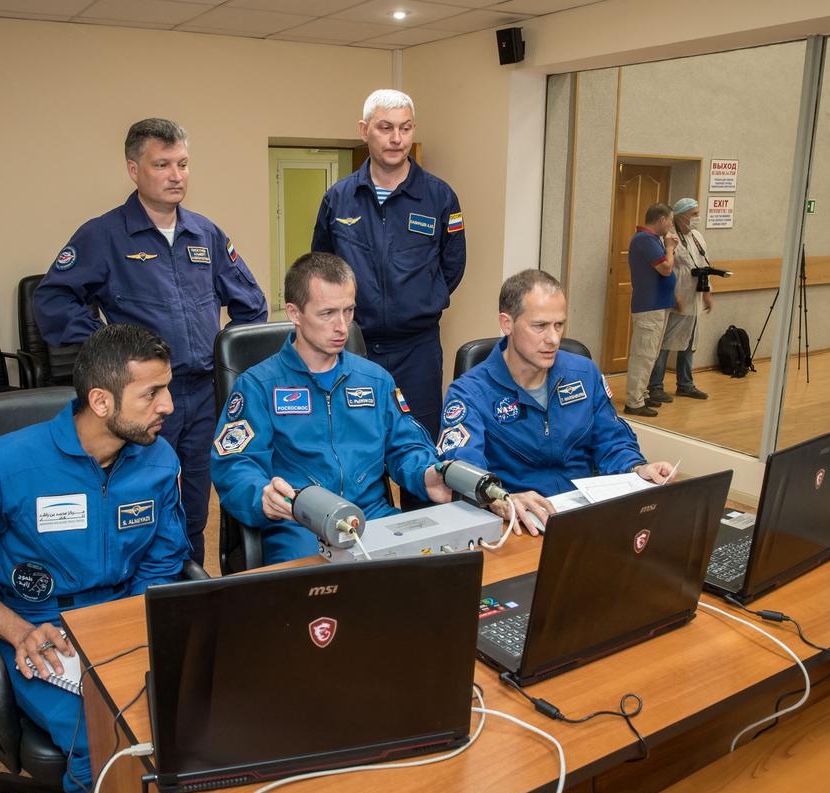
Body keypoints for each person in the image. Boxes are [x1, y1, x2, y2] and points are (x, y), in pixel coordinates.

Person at [0, 323, 187, 793]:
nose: (167, 405)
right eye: (151, 392)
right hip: (39, 631)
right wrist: (17, 630)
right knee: (101, 739)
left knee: (194, 708)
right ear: (102, 401)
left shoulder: (157, 459)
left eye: (166, 388)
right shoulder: (6, 464)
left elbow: (164, 559)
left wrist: (126, 625)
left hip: (125, 616)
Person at [33, 118, 267, 564]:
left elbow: (251, 305)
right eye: (162, 164)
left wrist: (227, 362)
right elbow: (53, 301)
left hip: (201, 395)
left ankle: (190, 586)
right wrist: (110, 348)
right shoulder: (103, 235)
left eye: (182, 164)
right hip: (140, 397)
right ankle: (136, 591)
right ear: (133, 169)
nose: (176, 175)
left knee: (193, 506)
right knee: (138, 503)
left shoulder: (206, 234)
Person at [210, 252, 451, 563]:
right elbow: (235, 464)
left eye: (348, 310)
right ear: (295, 313)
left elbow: (406, 445)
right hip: (299, 523)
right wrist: (262, 495)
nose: (342, 327)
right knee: (317, 595)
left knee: (430, 574)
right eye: (327, 314)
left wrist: (426, 472)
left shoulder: (375, 380)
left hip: (370, 513)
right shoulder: (258, 386)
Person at [438, 270, 675, 534]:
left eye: (559, 325)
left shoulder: (584, 374)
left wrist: (637, 467)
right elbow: (461, 468)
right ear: (507, 324)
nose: (553, 339)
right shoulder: (470, 392)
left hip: (587, 516)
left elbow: (612, 440)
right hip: (519, 523)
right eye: (539, 326)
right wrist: (499, 499)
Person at [311, 89, 466, 454]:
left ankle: (423, 514)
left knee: (421, 450)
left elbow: (453, 266)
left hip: (418, 349)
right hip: (354, 347)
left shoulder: (439, 196)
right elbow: (322, 267)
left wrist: (419, 299)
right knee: (355, 453)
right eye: (385, 127)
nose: (397, 139)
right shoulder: (339, 198)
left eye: (405, 128)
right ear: (364, 130)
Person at [648, 197, 713, 403]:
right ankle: (655, 386)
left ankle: (685, 384)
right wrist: (673, 295)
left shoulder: (697, 237)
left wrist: (707, 293)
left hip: (694, 297)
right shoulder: (668, 238)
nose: (697, 218)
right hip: (675, 298)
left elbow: (704, 265)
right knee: (665, 343)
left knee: (690, 342)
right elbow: (666, 270)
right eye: (693, 214)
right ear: (681, 215)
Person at [624, 203, 679, 417]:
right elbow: (666, 269)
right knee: (643, 354)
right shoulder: (644, 240)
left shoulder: (651, 240)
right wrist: (670, 248)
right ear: (662, 219)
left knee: (651, 353)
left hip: (657, 305)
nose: (671, 226)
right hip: (649, 307)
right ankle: (634, 402)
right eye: (671, 221)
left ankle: (642, 393)